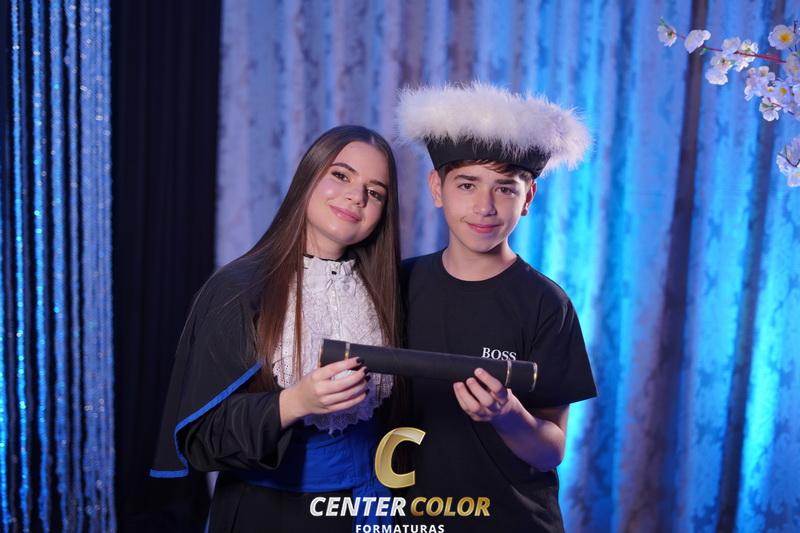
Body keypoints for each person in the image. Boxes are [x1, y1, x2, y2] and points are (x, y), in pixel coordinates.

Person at [150, 125, 402, 533]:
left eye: (375, 193)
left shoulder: (386, 293)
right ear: (308, 176)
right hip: (266, 513)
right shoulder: (237, 290)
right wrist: (295, 402)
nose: (357, 196)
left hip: (366, 507)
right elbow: (201, 438)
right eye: (341, 175)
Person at [396, 83, 597, 532]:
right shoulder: (398, 284)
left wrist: (508, 416)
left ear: (528, 199)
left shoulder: (546, 304)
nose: (484, 206)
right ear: (437, 188)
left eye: (505, 189)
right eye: (467, 184)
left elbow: (550, 450)